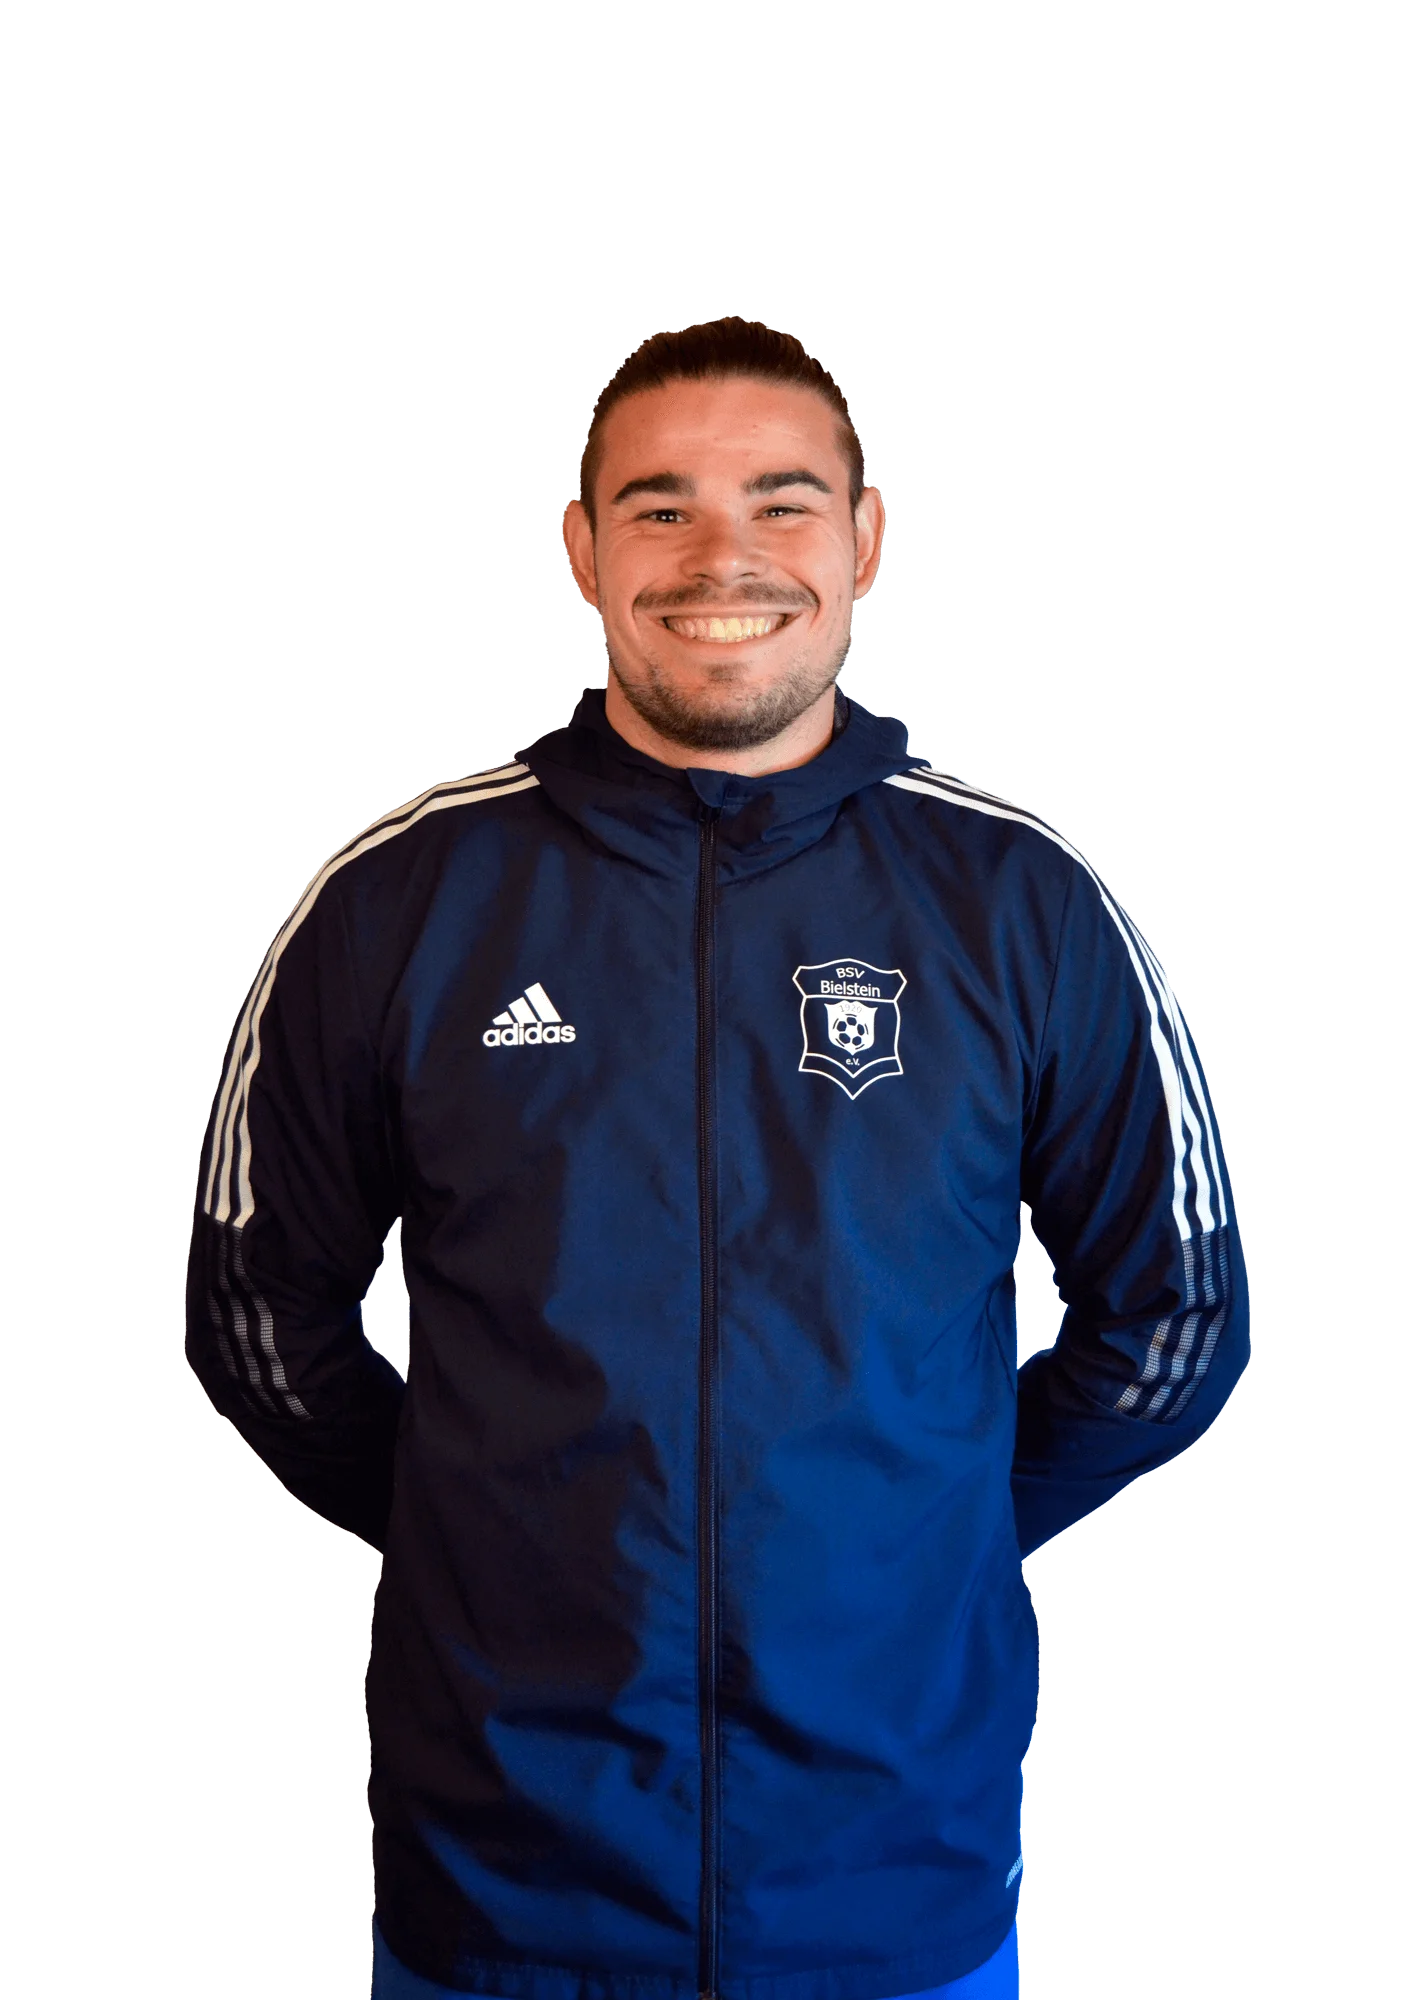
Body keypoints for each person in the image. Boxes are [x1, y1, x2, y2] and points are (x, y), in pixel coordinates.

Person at [185, 317, 1249, 2000]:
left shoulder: (1025, 904)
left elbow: (1175, 1326)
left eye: (782, 502)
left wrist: (932, 1530)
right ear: (581, 548)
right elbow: (259, 1318)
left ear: (867, 539)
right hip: (499, 1878)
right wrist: (481, 1529)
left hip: (894, 1875)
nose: (721, 558)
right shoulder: (400, 897)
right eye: (661, 506)